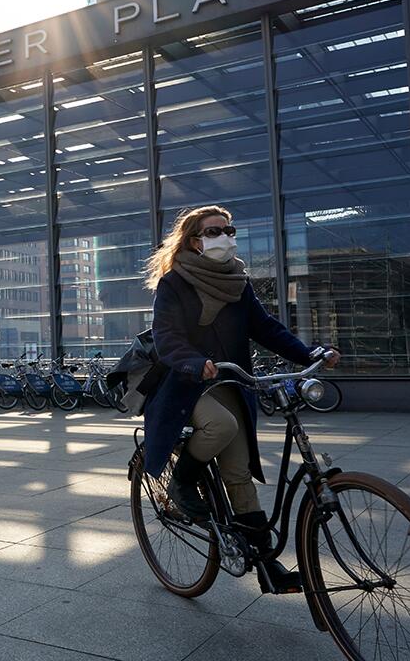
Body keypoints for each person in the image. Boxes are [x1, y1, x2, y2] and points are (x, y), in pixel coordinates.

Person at [140, 205, 339, 593]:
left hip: (230, 383)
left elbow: (265, 328)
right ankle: (183, 482)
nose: (224, 237)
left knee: (238, 473)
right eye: (214, 232)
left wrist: (309, 353)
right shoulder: (175, 282)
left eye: (228, 230)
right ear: (195, 241)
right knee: (222, 425)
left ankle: (267, 566)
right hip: (186, 383)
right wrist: (195, 362)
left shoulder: (237, 282)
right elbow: (166, 337)